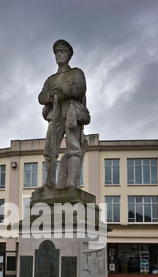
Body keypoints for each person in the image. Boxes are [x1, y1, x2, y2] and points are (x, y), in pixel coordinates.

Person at [38, 39, 90, 189]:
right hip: (54, 115)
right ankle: (49, 183)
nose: (59, 55)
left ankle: (71, 183)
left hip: (71, 113)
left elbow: (80, 89)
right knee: (49, 150)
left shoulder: (76, 73)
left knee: (73, 147)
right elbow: (41, 97)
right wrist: (49, 95)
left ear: (68, 56)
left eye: (62, 52)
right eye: (57, 53)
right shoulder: (51, 79)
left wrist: (63, 91)